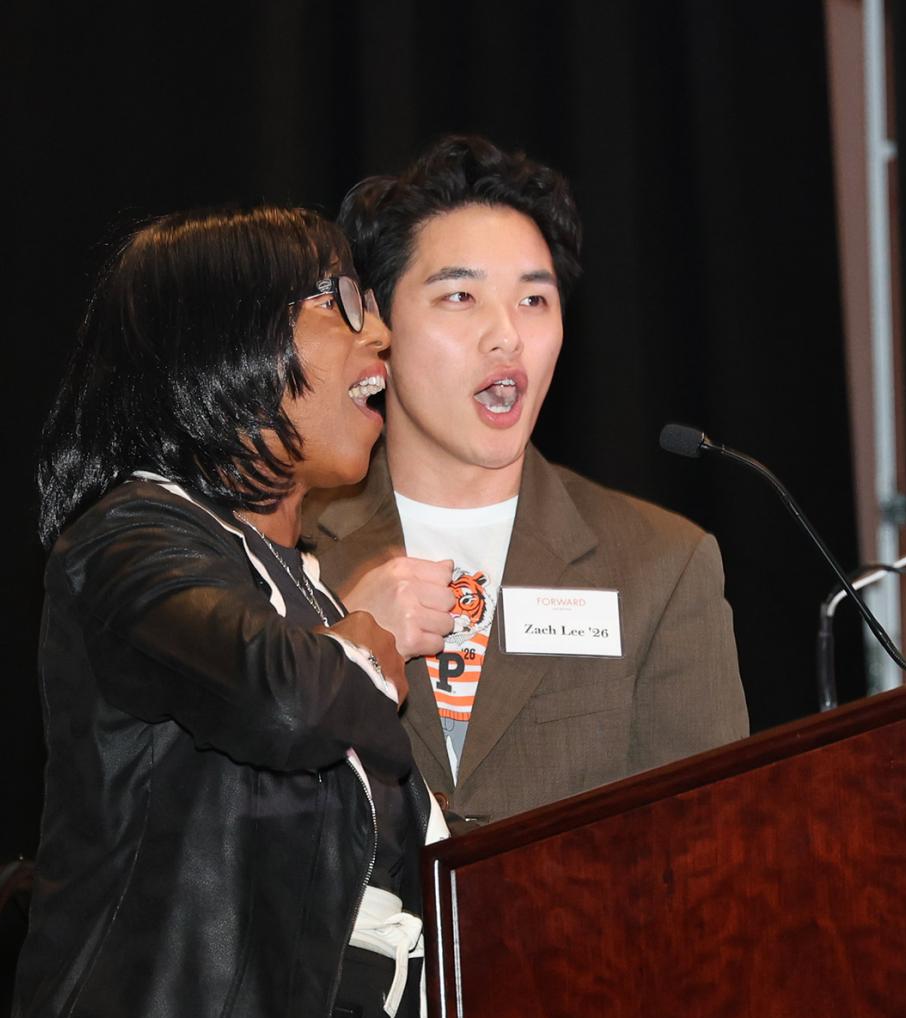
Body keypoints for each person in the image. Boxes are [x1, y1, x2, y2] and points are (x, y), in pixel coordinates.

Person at [2, 206, 446, 1018]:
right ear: (227, 341)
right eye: (341, 304)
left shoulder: (294, 575)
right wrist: (365, 636)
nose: (380, 334)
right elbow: (280, 699)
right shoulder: (128, 535)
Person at [305, 136, 749, 824]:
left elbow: (710, 850)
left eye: (535, 301)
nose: (506, 335)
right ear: (378, 324)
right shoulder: (289, 543)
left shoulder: (660, 563)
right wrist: (333, 646)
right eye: (460, 296)